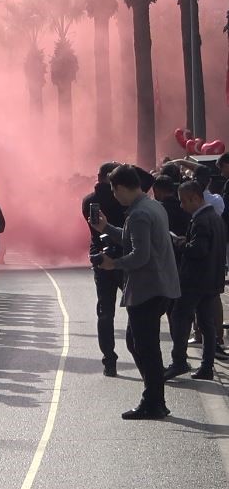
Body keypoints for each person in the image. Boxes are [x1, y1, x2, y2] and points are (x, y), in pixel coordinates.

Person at [91, 164, 181, 420]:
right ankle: (154, 397)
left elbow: (140, 255)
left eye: (114, 190)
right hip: (158, 285)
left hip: (147, 288)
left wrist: (114, 264)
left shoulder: (139, 214)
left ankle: (153, 400)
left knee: (145, 347)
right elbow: (134, 240)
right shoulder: (153, 206)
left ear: (120, 188)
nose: (114, 196)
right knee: (138, 342)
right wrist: (106, 228)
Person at [166, 180, 226, 381]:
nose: (182, 206)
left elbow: (198, 250)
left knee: (180, 318)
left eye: (184, 201)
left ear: (195, 198)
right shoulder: (215, 218)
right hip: (211, 279)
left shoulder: (201, 220)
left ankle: (179, 361)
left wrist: (179, 242)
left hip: (195, 281)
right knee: (207, 324)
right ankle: (207, 366)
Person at [81, 162, 127, 377]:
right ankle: (139, 356)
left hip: (103, 257)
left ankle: (109, 361)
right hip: (124, 256)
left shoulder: (89, 200)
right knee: (136, 309)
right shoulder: (122, 198)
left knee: (105, 312)